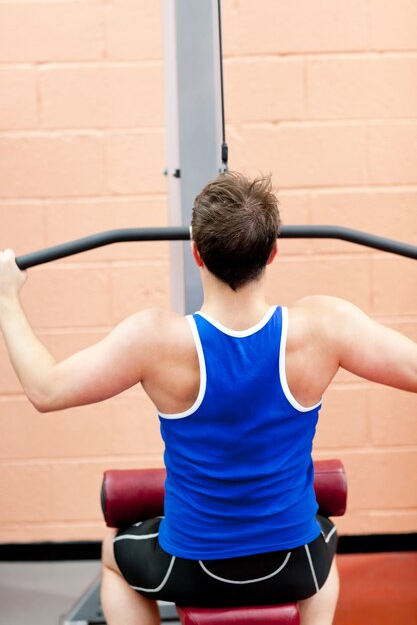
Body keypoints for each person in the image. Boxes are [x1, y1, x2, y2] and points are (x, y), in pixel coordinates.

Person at [0, 172, 416, 625]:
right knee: (325, 544)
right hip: (294, 566)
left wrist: (6, 298)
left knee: (113, 554)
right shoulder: (326, 327)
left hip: (192, 568)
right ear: (272, 251)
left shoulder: (154, 340)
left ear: (196, 252)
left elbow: (45, 389)